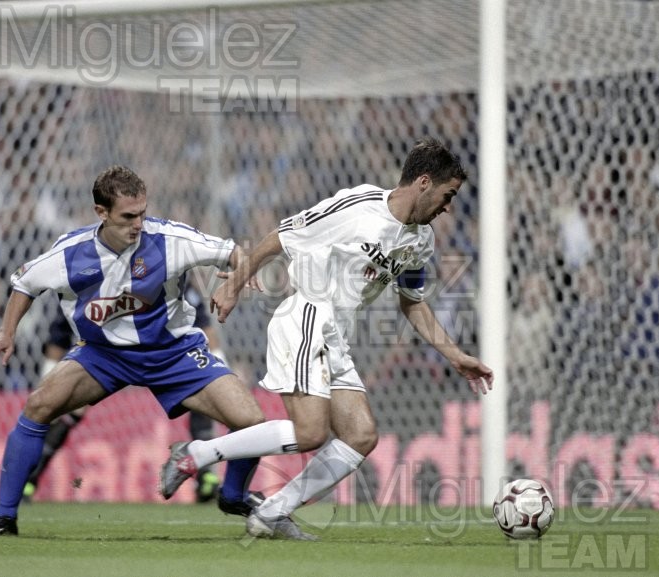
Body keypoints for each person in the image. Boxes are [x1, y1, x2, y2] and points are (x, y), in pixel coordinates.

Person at [159, 138, 494, 540]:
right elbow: (282, 236)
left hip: (337, 336)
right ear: (424, 182)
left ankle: (271, 513)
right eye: (447, 195)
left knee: (361, 436)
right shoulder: (359, 205)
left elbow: (413, 303)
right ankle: (194, 455)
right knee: (311, 433)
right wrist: (235, 285)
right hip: (307, 315)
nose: (448, 207)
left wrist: (454, 355)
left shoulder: (421, 241)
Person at [0, 165, 276, 536]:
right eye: (128, 216)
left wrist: (233, 286)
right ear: (102, 213)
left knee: (251, 421)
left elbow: (233, 253)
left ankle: (233, 495)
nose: (138, 224)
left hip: (173, 352)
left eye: (142, 213)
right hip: (103, 356)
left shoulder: (169, 239)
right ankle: (4, 516)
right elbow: (25, 283)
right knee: (38, 406)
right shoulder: (70, 253)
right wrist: (5, 333)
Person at [22, 285, 225, 505]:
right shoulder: (88, 285)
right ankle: (28, 480)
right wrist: (48, 385)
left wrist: (218, 368)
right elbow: (59, 337)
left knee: (201, 393)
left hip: (163, 358)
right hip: (109, 358)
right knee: (68, 408)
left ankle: (206, 476)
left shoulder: (174, 281)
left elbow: (206, 329)